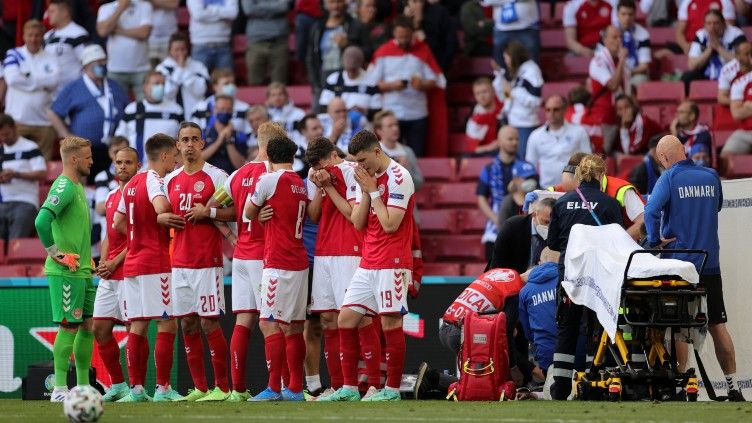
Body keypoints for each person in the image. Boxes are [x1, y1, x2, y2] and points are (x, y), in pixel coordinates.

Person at [187, 121, 288, 402]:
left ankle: (238, 390)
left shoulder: (237, 175)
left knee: (244, 320)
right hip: (264, 256)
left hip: (242, 255)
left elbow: (210, 206)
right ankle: (276, 387)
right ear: (273, 145)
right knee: (272, 323)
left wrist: (227, 230)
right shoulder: (274, 174)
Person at [644, 135, 745, 402]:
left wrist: (654, 241)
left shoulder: (668, 179)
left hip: (680, 264)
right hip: (709, 263)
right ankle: (733, 387)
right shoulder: (711, 176)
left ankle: (682, 385)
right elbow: (718, 207)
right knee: (717, 324)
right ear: (684, 151)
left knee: (677, 325)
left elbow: (650, 211)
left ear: (664, 158)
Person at [318, 130, 415, 402]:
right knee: (345, 319)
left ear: (376, 151)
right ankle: (349, 388)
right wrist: (364, 190)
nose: (359, 166)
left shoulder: (399, 177)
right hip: (369, 259)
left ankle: (392, 390)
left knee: (389, 322)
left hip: (392, 261)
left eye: (362, 160)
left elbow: (390, 224)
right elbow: (358, 223)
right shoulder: (366, 178)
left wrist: (373, 192)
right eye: (355, 162)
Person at [160, 122, 230, 402]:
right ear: (177, 145)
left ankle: (222, 388)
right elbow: (162, 215)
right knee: (187, 324)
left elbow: (236, 211)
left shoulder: (217, 176)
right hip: (178, 264)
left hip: (207, 262)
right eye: (184, 140)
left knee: (209, 324)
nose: (189, 144)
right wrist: (162, 218)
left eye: (194, 139)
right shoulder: (170, 180)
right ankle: (200, 387)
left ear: (202, 144)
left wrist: (209, 211)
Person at [547, 154, 623, 400]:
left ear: (579, 175)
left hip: (570, 276)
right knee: (597, 329)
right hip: (599, 277)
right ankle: (594, 383)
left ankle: (560, 387)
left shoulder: (562, 203)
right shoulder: (610, 204)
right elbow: (617, 241)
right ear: (601, 176)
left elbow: (552, 243)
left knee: (567, 328)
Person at [113, 133, 181, 402]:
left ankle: (137, 389)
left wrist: (137, 231)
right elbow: (161, 207)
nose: (175, 161)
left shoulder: (129, 184)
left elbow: (119, 222)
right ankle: (163, 388)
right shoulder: (154, 179)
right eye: (173, 156)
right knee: (167, 324)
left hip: (132, 265)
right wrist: (161, 217)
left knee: (137, 326)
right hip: (155, 262)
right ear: (164, 155)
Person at [304, 137, 372, 400]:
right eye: (316, 166)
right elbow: (313, 216)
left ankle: (372, 384)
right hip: (323, 252)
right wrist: (319, 187)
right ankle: (338, 385)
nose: (322, 169)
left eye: (324, 163)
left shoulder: (350, 171)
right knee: (328, 318)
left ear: (334, 155)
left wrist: (329, 185)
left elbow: (354, 216)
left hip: (348, 250)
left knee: (359, 317)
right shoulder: (318, 176)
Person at [244, 135, 310, 401]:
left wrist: (257, 214)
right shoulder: (299, 183)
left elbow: (248, 211)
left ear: (268, 157)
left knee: (269, 324)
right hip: (299, 262)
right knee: (294, 327)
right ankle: (294, 388)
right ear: (293, 157)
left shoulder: (269, 179)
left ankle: (273, 388)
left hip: (278, 262)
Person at [33, 137, 95, 402]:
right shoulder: (64, 186)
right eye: (88, 156)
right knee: (69, 326)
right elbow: (41, 221)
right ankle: (59, 388)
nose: (92, 160)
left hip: (81, 270)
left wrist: (87, 257)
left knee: (87, 326)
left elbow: (75, 230)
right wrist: (55, 253)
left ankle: (82, 387)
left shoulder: (77, 187)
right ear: (74, 159)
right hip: (66, 272)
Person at [92, 146, 140, 402]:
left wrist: (115, 262)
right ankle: (118, 384)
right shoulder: (111, 196)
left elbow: (139, 238)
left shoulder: (140, 196)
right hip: (110, 274)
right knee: (99, 327)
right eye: (119, 163)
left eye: (128, 162)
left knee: (134, 329)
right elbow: (110, 236)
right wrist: (104, 261)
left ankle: (137, 388)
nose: (122, 166)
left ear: (138, 165)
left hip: (131, 271)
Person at [48, 44, 129, 181]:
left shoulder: (114, 86)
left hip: (112, 149)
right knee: (83, 187)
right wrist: (67, 136)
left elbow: (128, 111)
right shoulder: (74, 87)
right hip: (84, 149)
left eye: (104, 62)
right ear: (86, 66)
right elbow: (53, 113)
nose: (102, 66)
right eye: (98, 63)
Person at [367, 15, 444, 157]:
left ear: (412, 33)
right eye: (400, 36)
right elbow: (371, 84)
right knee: (389, 156)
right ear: (394, 33)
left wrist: (421, 85)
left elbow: (435, 79)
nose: (403, 40)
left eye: (406, 37)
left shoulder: (422, 50)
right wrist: (392, 85)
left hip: (417, 113)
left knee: (416, 155)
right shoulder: (383, 52)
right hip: (392, 112)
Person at [4, 20, 60, 159]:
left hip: (44, 123)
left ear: (42, 36)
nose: (33, 39)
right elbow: (12, 79)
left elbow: (54, 82)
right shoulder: (13, 54)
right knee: (15, 162)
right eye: (30, 35)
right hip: (18, 121)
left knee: (43, 167)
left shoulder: (51, 57)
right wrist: (41, 82)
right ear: (24, 36)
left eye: (37, 35)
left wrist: (27, 79)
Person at [477, 126, 532, 260]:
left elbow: (534, 190)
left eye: (517, 139)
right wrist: (495, 218)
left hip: (522, 222)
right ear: (499, 142)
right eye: (510, 139)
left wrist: (522, 188)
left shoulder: (526, 167)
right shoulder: (489, 169)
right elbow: (481, 198)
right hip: (495, 226)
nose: (514, 142)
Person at [307, 0, 370, 111]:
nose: (336, 6)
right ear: (325, 4)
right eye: (332, 2)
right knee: (320, 115)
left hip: (348, 79)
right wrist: (315, 84)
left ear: (345, 3)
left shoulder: (355, 24)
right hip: (323, 79)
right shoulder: (317, 27)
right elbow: (311, 58)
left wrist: (347, 45)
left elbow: (368, 51)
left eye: (339, 1)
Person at [526, 95, 592, 189]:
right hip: (546, 189)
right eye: (548, 109)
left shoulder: (579, 132)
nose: (551, 113)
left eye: (555, 109)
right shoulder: (535, 135)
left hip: (573, 189)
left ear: (565, 110)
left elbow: (588, 161)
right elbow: (530, 165)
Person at [115, 71, 183, 160]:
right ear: (145, 86)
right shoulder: (132, 109)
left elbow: (183, 140)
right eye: (157, 83)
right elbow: (120, 138)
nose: (161, 87)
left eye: (163, 84)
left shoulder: (176, 110)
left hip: (168, 168)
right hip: (138, 167)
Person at [0, 114, 47, 241]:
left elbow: (42, 173)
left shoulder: (30, 147)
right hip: (3, 201)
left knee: (16, 242)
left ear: (14, 128)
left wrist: (16, 174)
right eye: (1, 135)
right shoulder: (0, 150)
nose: (4, 138)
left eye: (6, 134)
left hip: (26, 201)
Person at [96, 0, 153, 101]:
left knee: (145, 108)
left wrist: (119, 30)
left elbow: (144, 33)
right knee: (117, 109)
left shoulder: (145, 6)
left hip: (141, 69)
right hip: (115, 69)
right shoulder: (105, 8)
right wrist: (121, 8)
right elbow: (103, 31)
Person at [496, 40, 543, 158]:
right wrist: (503, 86)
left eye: (506, 58)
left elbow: (536, 100)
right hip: (513, 122)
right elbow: (510, 98)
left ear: (514, 56)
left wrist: (513, 91)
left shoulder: (531, 70)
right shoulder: (518, 72)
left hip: (526, 124)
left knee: (523, 159)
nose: (505, 61)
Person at [518, 248, 560, 377]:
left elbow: (527, 332)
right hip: (575, 352)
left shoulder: (525, 291)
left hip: (545, 355)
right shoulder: (569, 282)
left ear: (539, 263)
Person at [589, 25, 630, 155]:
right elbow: (613, 85)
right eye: (614, 37)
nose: (619, 41)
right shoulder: (598, 61)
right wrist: (622, 60)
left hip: (618, 115)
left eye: (620, 37)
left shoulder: (619, 60)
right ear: (605, 40)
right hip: (603, 118)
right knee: (602, 156)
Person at [682, 10, 745, 93]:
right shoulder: (700, 35)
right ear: (704, 25)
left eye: (716, 23)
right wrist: (710, 49)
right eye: (708, 23)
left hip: (730, 73)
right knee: (687, 77)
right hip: (706, 73)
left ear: (723, 23)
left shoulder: (736, 34)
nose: (712, 27)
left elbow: (743, 61)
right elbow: (691, 65)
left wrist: (719, 48)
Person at [490, 197, 555, 273]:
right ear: (534, 214)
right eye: (546, 222)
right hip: (511, 278)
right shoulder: (512, 227)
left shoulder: (559, 232)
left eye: (553, 223)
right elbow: (497, 264)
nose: (548, 227)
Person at [156, 31, 210, 121]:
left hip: (195, 116)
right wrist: (180, 69)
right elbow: (168, 93)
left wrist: (184, 71)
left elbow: (200, 91)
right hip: (171, 117)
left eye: (183, 49)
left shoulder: (198, 66)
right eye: (176, 50)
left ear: (187, 50)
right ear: (169, 51)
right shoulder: (162, 69)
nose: (180, 53)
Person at [44, 0, 90, 94]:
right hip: (50, 94)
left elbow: (87, 63)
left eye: (52, 11)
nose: (49, 15)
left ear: (65, 12)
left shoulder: (78, 33)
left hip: (72, 93)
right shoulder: (47, 36)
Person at [319, 45, 379, 114]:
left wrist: (365, 111)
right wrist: (340, 111)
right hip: (337, 120)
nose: (351, 73)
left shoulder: (371, 82)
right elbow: (324, 105)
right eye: (348, 69)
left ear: (361, 64)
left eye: (354, 70)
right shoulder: (334, 79)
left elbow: (377, 110)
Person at [374, 110, 424, 192]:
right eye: (390, 126)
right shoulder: (374, 152)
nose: (395, 128)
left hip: (406, 202)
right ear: (379, 131)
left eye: (396, 125)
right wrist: (398, 171)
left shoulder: (408, 151)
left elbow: (419, 184)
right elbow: (374, 185)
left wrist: (408, 170)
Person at [191, 68, 252, 136]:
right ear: (215, 86)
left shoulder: (245, 108)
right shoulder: (199, 108)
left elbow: (249, 135)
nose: (231, 86)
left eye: (233, 83)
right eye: (226, 83)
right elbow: (192, 134)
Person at [242, 0, 290, 85]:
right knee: (254, 83)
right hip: (256, 42)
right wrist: (275, 6)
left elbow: (284, 6)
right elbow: (249, 9)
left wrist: (259, 7)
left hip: (279, 41)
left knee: (279, 85)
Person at [402, 0, 458, 72]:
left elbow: (449, 45)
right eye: (414, 1)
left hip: (435, 65)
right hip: (405, 69)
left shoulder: (439, 13)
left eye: (420, 2)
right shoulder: (402, 15)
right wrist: (406, 22)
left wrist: (440, 70)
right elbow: (397, 46)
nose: (418, 5)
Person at [482, 0, 540, 66]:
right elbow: (486, 1)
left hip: (527, 27)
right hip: (501, 29)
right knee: (500, 63)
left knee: (532, 62)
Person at [186, 0, 238, 72]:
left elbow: (232, 13)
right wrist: (222, 12)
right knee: (199, 82)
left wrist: (208, 9)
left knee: (226, 82)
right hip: (200, 45)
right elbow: (198, 15)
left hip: (223, 44)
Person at [202, 94, 248, 174]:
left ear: (232, 111)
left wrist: (228, 140)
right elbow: (198, 160)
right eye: (222, 109)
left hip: (231, 181)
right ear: (214, 109)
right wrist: (218, 142)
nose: (225, 112)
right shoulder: (204, 133)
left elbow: (241, 165)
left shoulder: (239, 135)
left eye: (228, 109)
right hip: (209, 180)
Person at [615, 0, 651, 86]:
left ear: (635, 15)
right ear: (617, 15)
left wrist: (626, 73)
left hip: (634, 73)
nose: (627, 18)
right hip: (613, 72)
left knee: (641, 80)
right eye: (623, 14)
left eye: (630, 14)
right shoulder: (610, 33)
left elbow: (644, 66)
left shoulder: (643, 34)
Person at [466, 76, 504, 155]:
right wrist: (490, 147)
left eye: (484, 92)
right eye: (477, 93)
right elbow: (472, 149)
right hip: (486, 155)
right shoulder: (475, 120)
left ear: (493, 91)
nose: (481, 97)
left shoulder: (505, 109)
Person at [723, 70, 752, 156]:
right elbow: (737, 113)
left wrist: (748, 106)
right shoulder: (748, 84)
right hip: (746, 132)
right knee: (725, 157)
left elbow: (747, 107)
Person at [717, 41, 752, 105]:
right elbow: (722, 97)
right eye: (747, 54)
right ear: (737, 56)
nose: (750, 57)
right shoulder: (727, 70)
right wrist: (739, 104)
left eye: (751, 53)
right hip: (737, 106)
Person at [147, 0, 178, 66]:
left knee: (170, 70)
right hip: (148, 38)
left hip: (169, 37)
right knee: (150, 73)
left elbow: (173, 3)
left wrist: (151, 3)